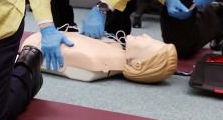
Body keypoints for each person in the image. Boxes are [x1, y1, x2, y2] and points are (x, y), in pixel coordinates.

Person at [22, 31, 177, 84]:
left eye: (148, 42)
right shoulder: (114, 48)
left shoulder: (96, 60)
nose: (146, 35)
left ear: (137, 64)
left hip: (33, 44)